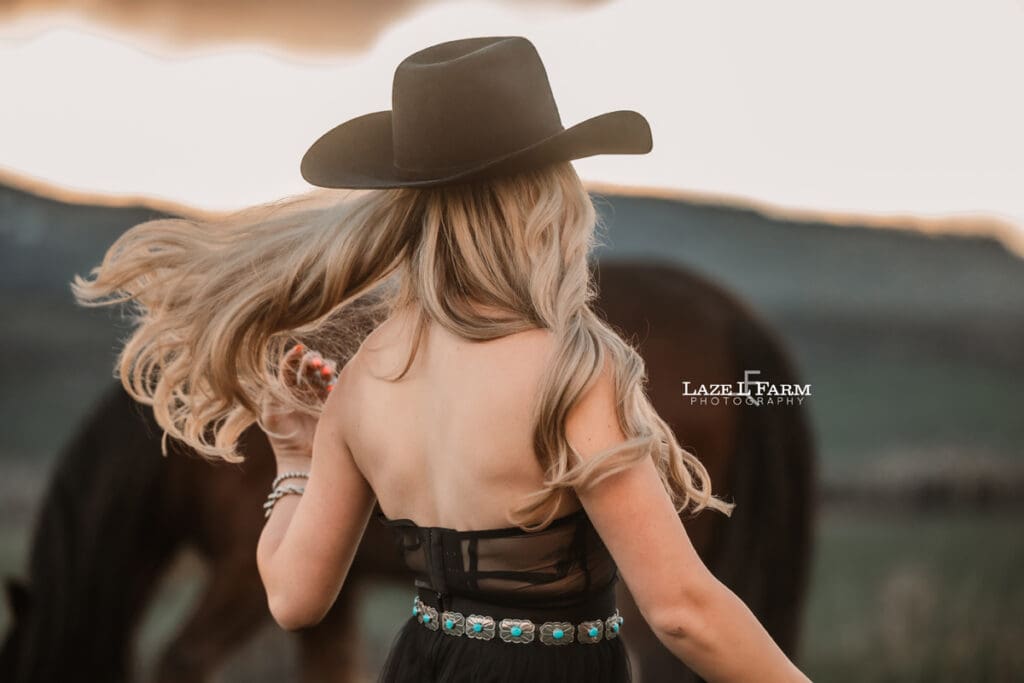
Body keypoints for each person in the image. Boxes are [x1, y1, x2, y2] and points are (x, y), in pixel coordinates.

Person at [73, 36, 811, 683]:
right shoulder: (574, 371)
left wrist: (294, 455)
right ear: (545, 197)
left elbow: (293, 598)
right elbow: (682, 611)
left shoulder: (363, 381)